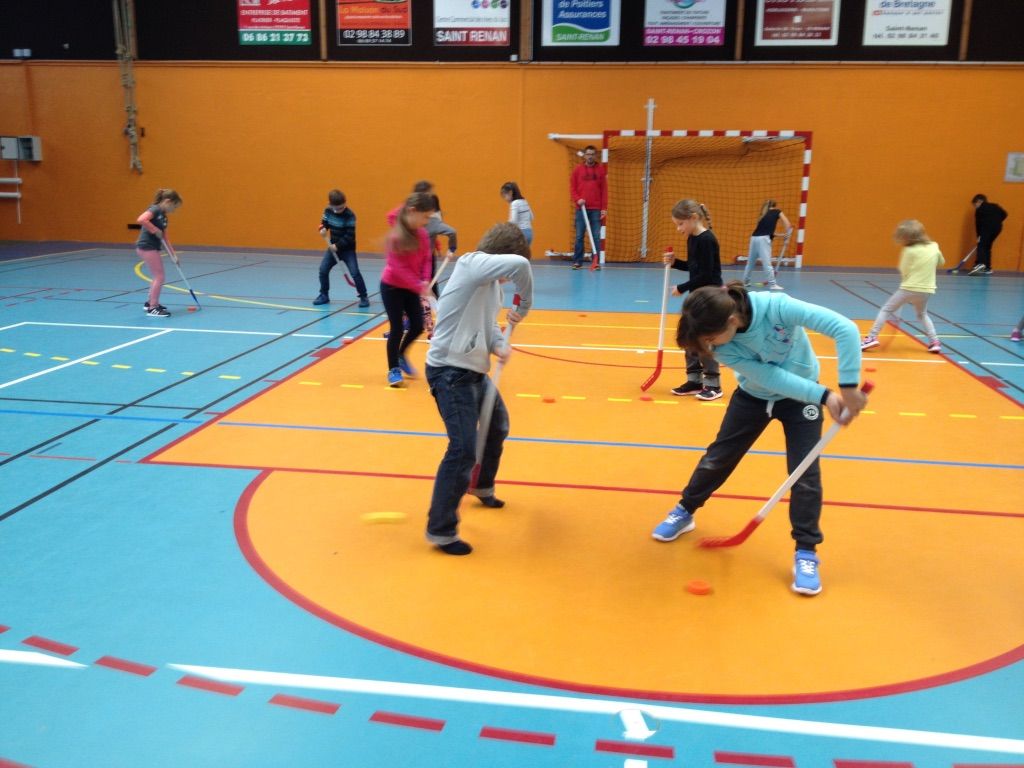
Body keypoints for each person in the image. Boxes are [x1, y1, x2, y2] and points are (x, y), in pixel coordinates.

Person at [650, 281, 868, 596]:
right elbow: (770, 377)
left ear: (731, 320)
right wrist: (825, 396)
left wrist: (847, 387)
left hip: (801, 399)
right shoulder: (723, 348)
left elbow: (844, 329)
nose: (709, 347)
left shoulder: (777, 307)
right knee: (718, 458)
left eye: (710, 338)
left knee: (805, 475)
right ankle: (686, 509)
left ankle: (806, 551)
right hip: (753, 397)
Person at [424, 222, 534, 556]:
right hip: (449, 372)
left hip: (473, 371)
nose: (506, 280)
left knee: (497, 426)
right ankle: (441, 529)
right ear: (501, 255)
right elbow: (521, 265)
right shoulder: (472, 265)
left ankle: (481, 485)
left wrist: (498, 344)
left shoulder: (491, 287)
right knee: (462, 450)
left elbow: (487, 325)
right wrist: (524, 305)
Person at [664, 199, 724, 401]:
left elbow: (706, 274)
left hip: (710, 296)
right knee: (689, 337)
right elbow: (693, 266)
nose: (679, 229)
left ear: (694, 218)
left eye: (681, 224)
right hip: (696, 295)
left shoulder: (707, 240)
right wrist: (675, 263)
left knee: (704, 339)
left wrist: (682, 288)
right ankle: (694, 381)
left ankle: (713, 384)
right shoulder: (692, 238)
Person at [861, 220, 945, 354]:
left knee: (886, 310)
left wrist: (909, 278)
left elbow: (903, 269)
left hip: (909, 288)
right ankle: (934, 342)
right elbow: (941, 262)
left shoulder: (909, 250)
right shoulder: (934, 246)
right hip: (927, 290)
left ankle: (871, 337)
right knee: (922, 314)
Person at [381, 192, 436, 387]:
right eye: (425, 217)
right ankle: (393, 368)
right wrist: (419, 286)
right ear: (412, 211)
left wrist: (426, 279)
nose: (427, 221)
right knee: (397, 328)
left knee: (418, 326)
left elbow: (427, 259)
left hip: (411, 288)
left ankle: (401, 354)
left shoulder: (422, 234)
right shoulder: (397, 236)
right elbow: (398, 269)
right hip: (392, 288)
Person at [314, 189, 369, 308]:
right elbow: (324, 223)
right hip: (333, 248)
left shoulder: (350, 215)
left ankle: (363, 296)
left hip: (347, 250)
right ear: (330, 204)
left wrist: (337, 246)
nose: (340, 210)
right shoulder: (327, 211)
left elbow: (349, 236)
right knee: (323, 270)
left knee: (355, 273)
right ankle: (324, 295)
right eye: (337, 208)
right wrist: (323, 228)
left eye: (342, 207)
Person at [135, 188, 183, 318]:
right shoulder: (155, 209)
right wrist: (154, 229)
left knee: (157, 276)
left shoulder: (163, 217)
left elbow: (165, 238)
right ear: (168, 201)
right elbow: (141, 219)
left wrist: (173, 255)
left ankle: (149, 303)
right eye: (174, 206)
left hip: (152, 247)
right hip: (147, 247)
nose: (174, 210)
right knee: (159, 276)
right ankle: (153, 308)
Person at [569, 145, 607, 270]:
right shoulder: (577, 170)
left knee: (596, 236)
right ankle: (577, 261)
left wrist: (603, 208)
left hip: (596, 209)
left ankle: (595, 262)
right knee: (579, 236)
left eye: (592, 154)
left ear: (595, 156)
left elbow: (604, 190)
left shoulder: (600, 170)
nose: (590, 156)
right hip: (581, 209)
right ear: (585, 155)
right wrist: (577, 199)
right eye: (588, 154)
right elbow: (572, 188)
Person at [743, 199, 791, 291]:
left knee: (750, 263)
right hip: (763, 240)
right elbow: (788, 224)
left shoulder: (763, 214)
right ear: (775, 206)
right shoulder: (777, 211)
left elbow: (767, 232)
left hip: (754, 238)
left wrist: (781, 235)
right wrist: (788, 235)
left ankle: (745, 282)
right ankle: (773, 284)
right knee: (767, 263)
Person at [969, 194, 1008, 275]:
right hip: (997, 228)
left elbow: (978, 224)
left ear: (979, 201)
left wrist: (978, 236)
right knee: (987, 246)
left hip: (986, 228)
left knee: (981, 245)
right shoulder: (995, 206)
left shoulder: (980, 210)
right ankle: (987, 268)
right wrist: (997, 220)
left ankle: (981, 264)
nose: (975, 207)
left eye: (975, 205)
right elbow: (1005, 214)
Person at [501, 181, 534, 245]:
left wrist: (505, 227)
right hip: (529, 233)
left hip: (520, 233)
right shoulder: (524, 201)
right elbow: (532, 217)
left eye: (504, 196)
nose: (505, 199)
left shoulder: (514, 203)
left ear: (510, 193)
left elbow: (513, 221)